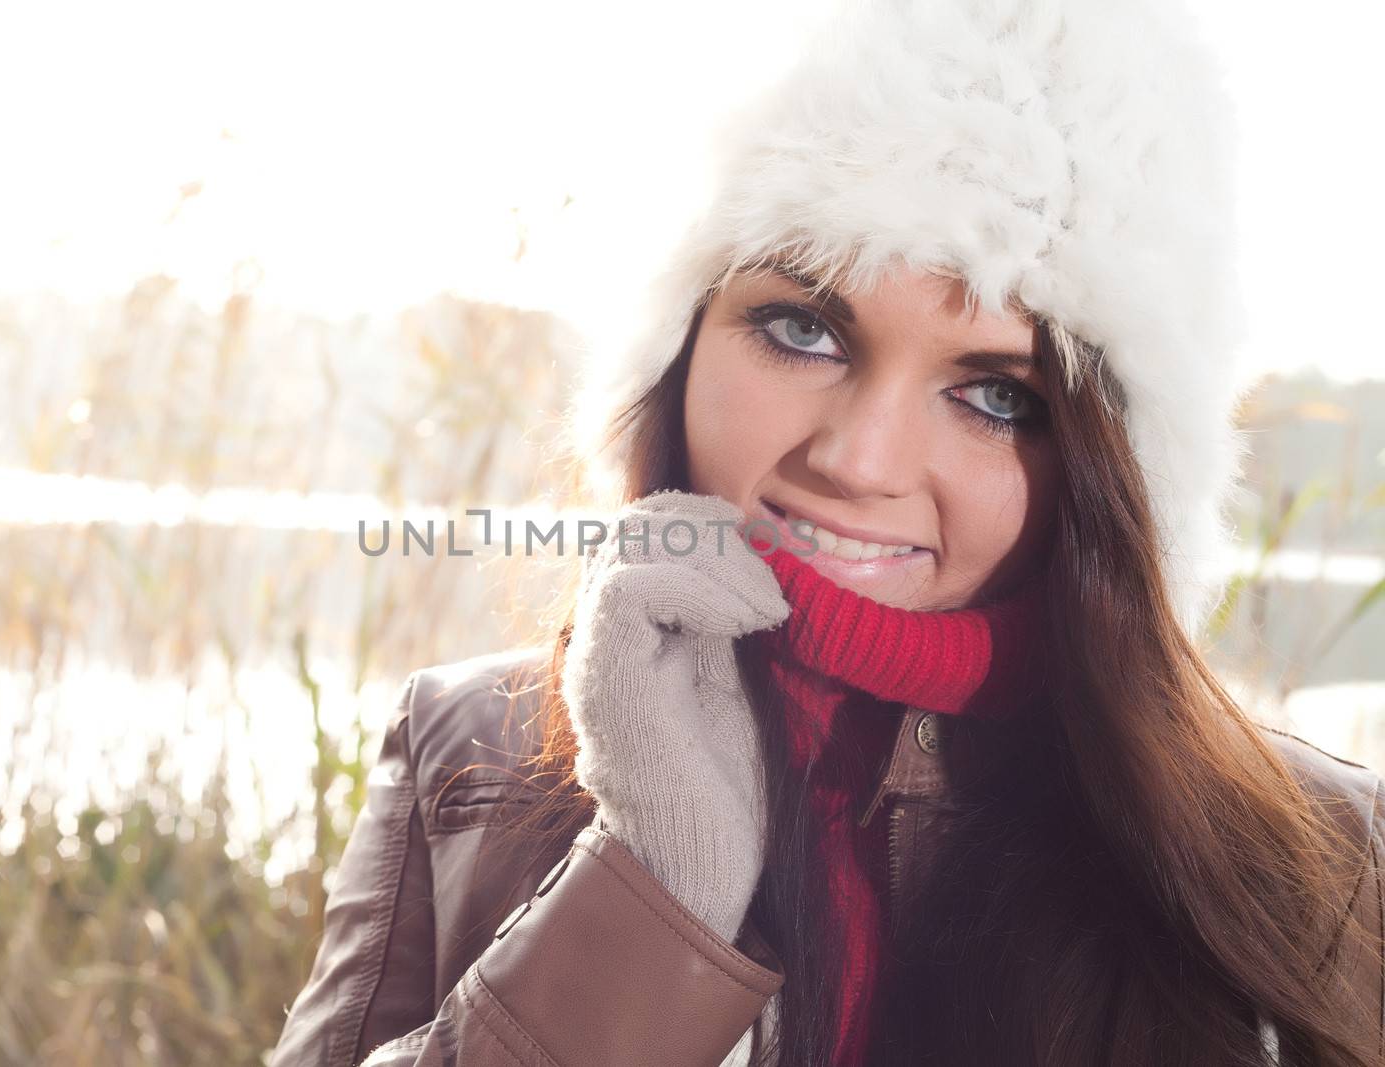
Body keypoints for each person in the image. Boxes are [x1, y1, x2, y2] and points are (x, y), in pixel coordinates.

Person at [270, 0, 1385, 1064]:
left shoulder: (1328, 859)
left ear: (1111, 478)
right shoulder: (468, 753)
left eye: (998, 395)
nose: (856, 459)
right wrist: (650, 892)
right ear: (679, 346)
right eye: (801, 328)